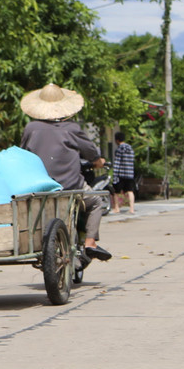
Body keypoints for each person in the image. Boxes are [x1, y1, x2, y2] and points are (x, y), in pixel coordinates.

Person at [18, 83, 112, 262]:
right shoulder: (72, 128)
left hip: (39, 187)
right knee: (96, 201)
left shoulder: (30, 128)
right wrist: (99, 162)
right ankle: (90, 242)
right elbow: (92, 154)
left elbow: (23, 154)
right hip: (70, 187)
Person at [110, 131, 137, 215]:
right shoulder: (130, 148)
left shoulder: (119, 149)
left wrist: (114, 175)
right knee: (130, 191)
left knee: (116, 192)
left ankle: (116, 208)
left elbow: (117, 163)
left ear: (117, 140)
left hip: (121, 174)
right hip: (129, 174)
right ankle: (132, 209)